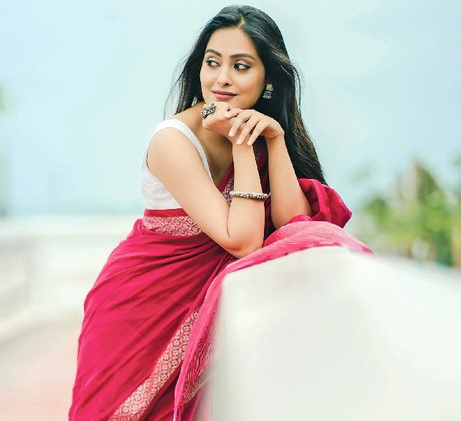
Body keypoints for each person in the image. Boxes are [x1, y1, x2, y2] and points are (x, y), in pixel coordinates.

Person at [69, 5, 372, 421]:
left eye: (241, 66)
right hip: (139, 307)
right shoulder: (173, 141)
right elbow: (243, 241)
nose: (222, 78)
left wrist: (275, 139)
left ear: (268, 78)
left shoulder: (260, 130)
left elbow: (294, 224)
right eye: (212, 63)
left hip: (216, 306)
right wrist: (241, 143)